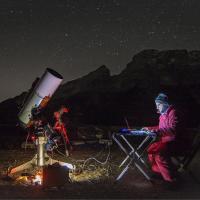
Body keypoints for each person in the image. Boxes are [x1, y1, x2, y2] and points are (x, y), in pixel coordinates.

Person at [142, 93, 179, 185]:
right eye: (156, 105)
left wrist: (158, 132)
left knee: (158, 154)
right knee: (151, 150)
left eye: (159, 104)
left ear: (165, 103)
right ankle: (160, 172)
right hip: (165, 141)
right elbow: (160, 128)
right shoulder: (162, 115)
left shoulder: (173, 113)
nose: (157, 107)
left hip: (174, 142)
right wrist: (150, 128)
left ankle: (169, 180)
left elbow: (173, 129)